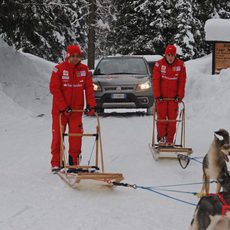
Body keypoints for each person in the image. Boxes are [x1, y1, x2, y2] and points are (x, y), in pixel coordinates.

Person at [49, 44, 96, 172]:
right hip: (60, 111)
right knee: (58, 137)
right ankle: (56, 162)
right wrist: (63, 107)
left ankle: (73, 161)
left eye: (78, 56)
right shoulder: (58, 69)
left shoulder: (84, 70)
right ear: (68, 56)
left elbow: (89, 88)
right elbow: (54, 89)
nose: (76, 59)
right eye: (73, 56)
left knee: (76, 136)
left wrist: (91, 105)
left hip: (76, 110)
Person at [152, 44, 186, 145]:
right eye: (169, 55)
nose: (170, 57)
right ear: (165, 55)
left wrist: (179, 96)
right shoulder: (159, 64)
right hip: (161, 98)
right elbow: (156, 80)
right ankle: (162, 137)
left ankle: (170, 139)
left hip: (173, 99)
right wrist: (157, 95)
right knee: (161, 119)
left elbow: (182, 81)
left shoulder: (180, 65)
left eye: (172, 55)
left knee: (172, 120)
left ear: (175, 55)